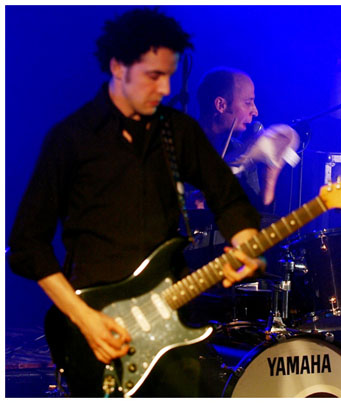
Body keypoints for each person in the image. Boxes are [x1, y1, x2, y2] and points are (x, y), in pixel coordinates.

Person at [7, 8, 266, 398]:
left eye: (168, 75)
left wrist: (244, 238)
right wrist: (84, 318)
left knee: (206, 382)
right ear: (118, 67)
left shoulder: (178, 132)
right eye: (153, 76)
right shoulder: (71, 138)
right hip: (95, 319)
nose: (165, 88)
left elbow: (227, 196)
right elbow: (27, 245)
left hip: (169, 312)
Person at [196, 67, 300, 210]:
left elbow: (258, 218)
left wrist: (270, 177)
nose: (255, 111)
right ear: (221, 105)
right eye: (248, 103)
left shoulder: (241, 151)